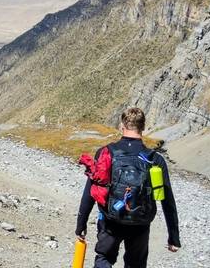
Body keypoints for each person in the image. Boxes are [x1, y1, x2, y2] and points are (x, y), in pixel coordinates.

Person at [75, 107, 180, 268]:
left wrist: (81, 225)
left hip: (110, 220)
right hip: (140, 223)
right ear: (143, 127)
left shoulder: (106, 153)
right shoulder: (155, 160)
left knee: (104, 258)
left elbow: (91, 191)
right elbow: (168, 201)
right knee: (135, 264)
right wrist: (173, 237)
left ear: (122, 126)